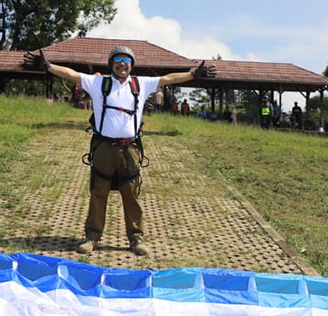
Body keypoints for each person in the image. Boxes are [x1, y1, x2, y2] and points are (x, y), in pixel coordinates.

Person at [23, 46, 216, 256]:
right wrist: (49, 66)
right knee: (98, 192)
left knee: (131, 193)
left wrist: (191, 75)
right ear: (111, 64)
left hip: (129, 149)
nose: (122, 63)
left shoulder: (140, 84)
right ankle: (92, 237)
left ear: (131, 65)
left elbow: (168, 79)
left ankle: (136, 238)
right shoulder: (98, 83)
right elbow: (71, 74)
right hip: (104, 147)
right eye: (118, 59)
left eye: (126, 60)